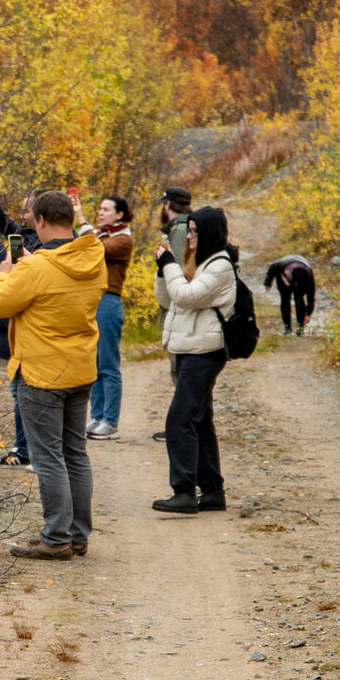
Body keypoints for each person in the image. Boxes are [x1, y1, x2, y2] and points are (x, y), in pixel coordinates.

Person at [0, 191, 106, 560]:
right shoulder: (93, 254)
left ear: (39, 222)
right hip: (80, 368)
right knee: (75, 454)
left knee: (49, 457)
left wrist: (5, 272)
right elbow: (74, 254)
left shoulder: (35, 268)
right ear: (71, 218)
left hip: (41, 373)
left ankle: (56, 538)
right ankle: (77, 534)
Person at [151, 207, 237, 515]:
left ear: (209, 232)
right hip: (190, 349)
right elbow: (169, 299)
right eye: (188, 230)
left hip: (206, 352)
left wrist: (170, 265)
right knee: (199, 421)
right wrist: (163, 270)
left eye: (194, 231)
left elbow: (186, 297)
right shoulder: (196, 262)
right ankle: (212, 491)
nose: (189, 236)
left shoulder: (220, 266)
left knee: (179, 419)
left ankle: (184, 491)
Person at [0, 194, 41, 469]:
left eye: (27, 209)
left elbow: (14, 267)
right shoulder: (31, 235)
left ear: (41, 217)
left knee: (24, 393)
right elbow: (17, 233)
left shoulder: (44, 246)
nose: (22, 213)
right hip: (13, 331)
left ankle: (30, 450)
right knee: (19, 392)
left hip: (25, 331)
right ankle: (24, 448)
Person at [71, 193, 134, 440]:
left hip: (108, 303)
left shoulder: (122, 240)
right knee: (94, 365)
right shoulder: (104, 234)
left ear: (119, 214)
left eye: (106, 209)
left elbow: (94, 248)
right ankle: (97, 417)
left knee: (108, 365)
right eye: (100, 209)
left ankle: (110, 421)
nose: (101, 212)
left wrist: (79, 217)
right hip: (94, 302)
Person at [150, 186, 193, 441]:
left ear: (167, 206)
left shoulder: (178, 230)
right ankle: (185, 425)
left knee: (181, 373)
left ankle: (182, 428)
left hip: (181, 309)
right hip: (185, 308)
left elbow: (176, 269)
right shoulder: (189, 226)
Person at [264, 255, 315, 335]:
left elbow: (311, 298)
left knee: (299, 300)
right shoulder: (281, 265)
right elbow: (271, 268)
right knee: (285, 300)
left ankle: (300, 328)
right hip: (283, 277)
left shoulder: (309, 277)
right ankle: (287, 327)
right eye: (297, 285)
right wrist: (268, 282)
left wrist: (308, 314)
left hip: (300, 275)